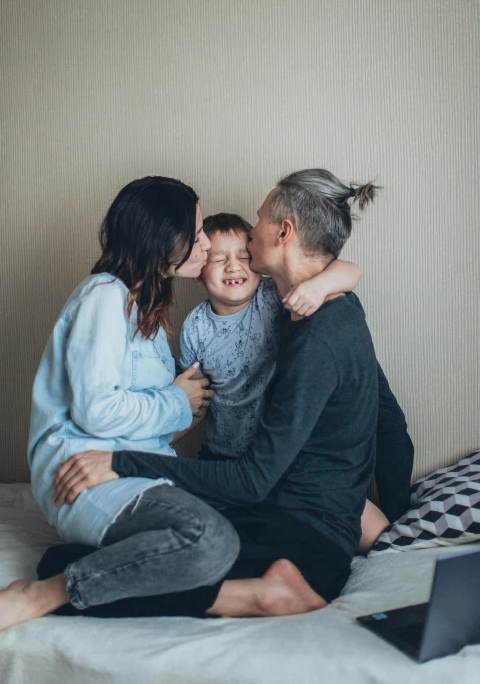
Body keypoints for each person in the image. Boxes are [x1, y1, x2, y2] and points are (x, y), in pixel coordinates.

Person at [0, 173, 351, 642]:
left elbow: (151, 424)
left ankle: (88, 573)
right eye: (198, 232)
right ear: (166, 237)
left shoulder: (147, 312)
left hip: (137, 471)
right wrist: (177, 401)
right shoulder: (104, 296)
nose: (205, 244)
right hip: (84, 472)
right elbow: (97, 412)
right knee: (210, 541)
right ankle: (49, 592)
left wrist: (181, 410)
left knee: (260, 527)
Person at [47, 169, 414, 619]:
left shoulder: (311, 330)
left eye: (258, 219)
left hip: (297, 532)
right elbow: (388, 415)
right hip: (280, 508)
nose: (246, 233)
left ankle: (54, 589)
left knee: (114, 559)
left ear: (283, 232)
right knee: (176, 539)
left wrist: (122, 462)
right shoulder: (326, 309)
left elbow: (255, 479)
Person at [181, 212, 411, 549]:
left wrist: (319, 286)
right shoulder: (195, 328)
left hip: (289, 460)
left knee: (380, 536)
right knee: (209, 538)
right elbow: (195, 400)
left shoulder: (276, 297)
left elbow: (351, 272)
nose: (233, 266)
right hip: (227, 458)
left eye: (244, 257)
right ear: (200, 274)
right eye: (219, 259)